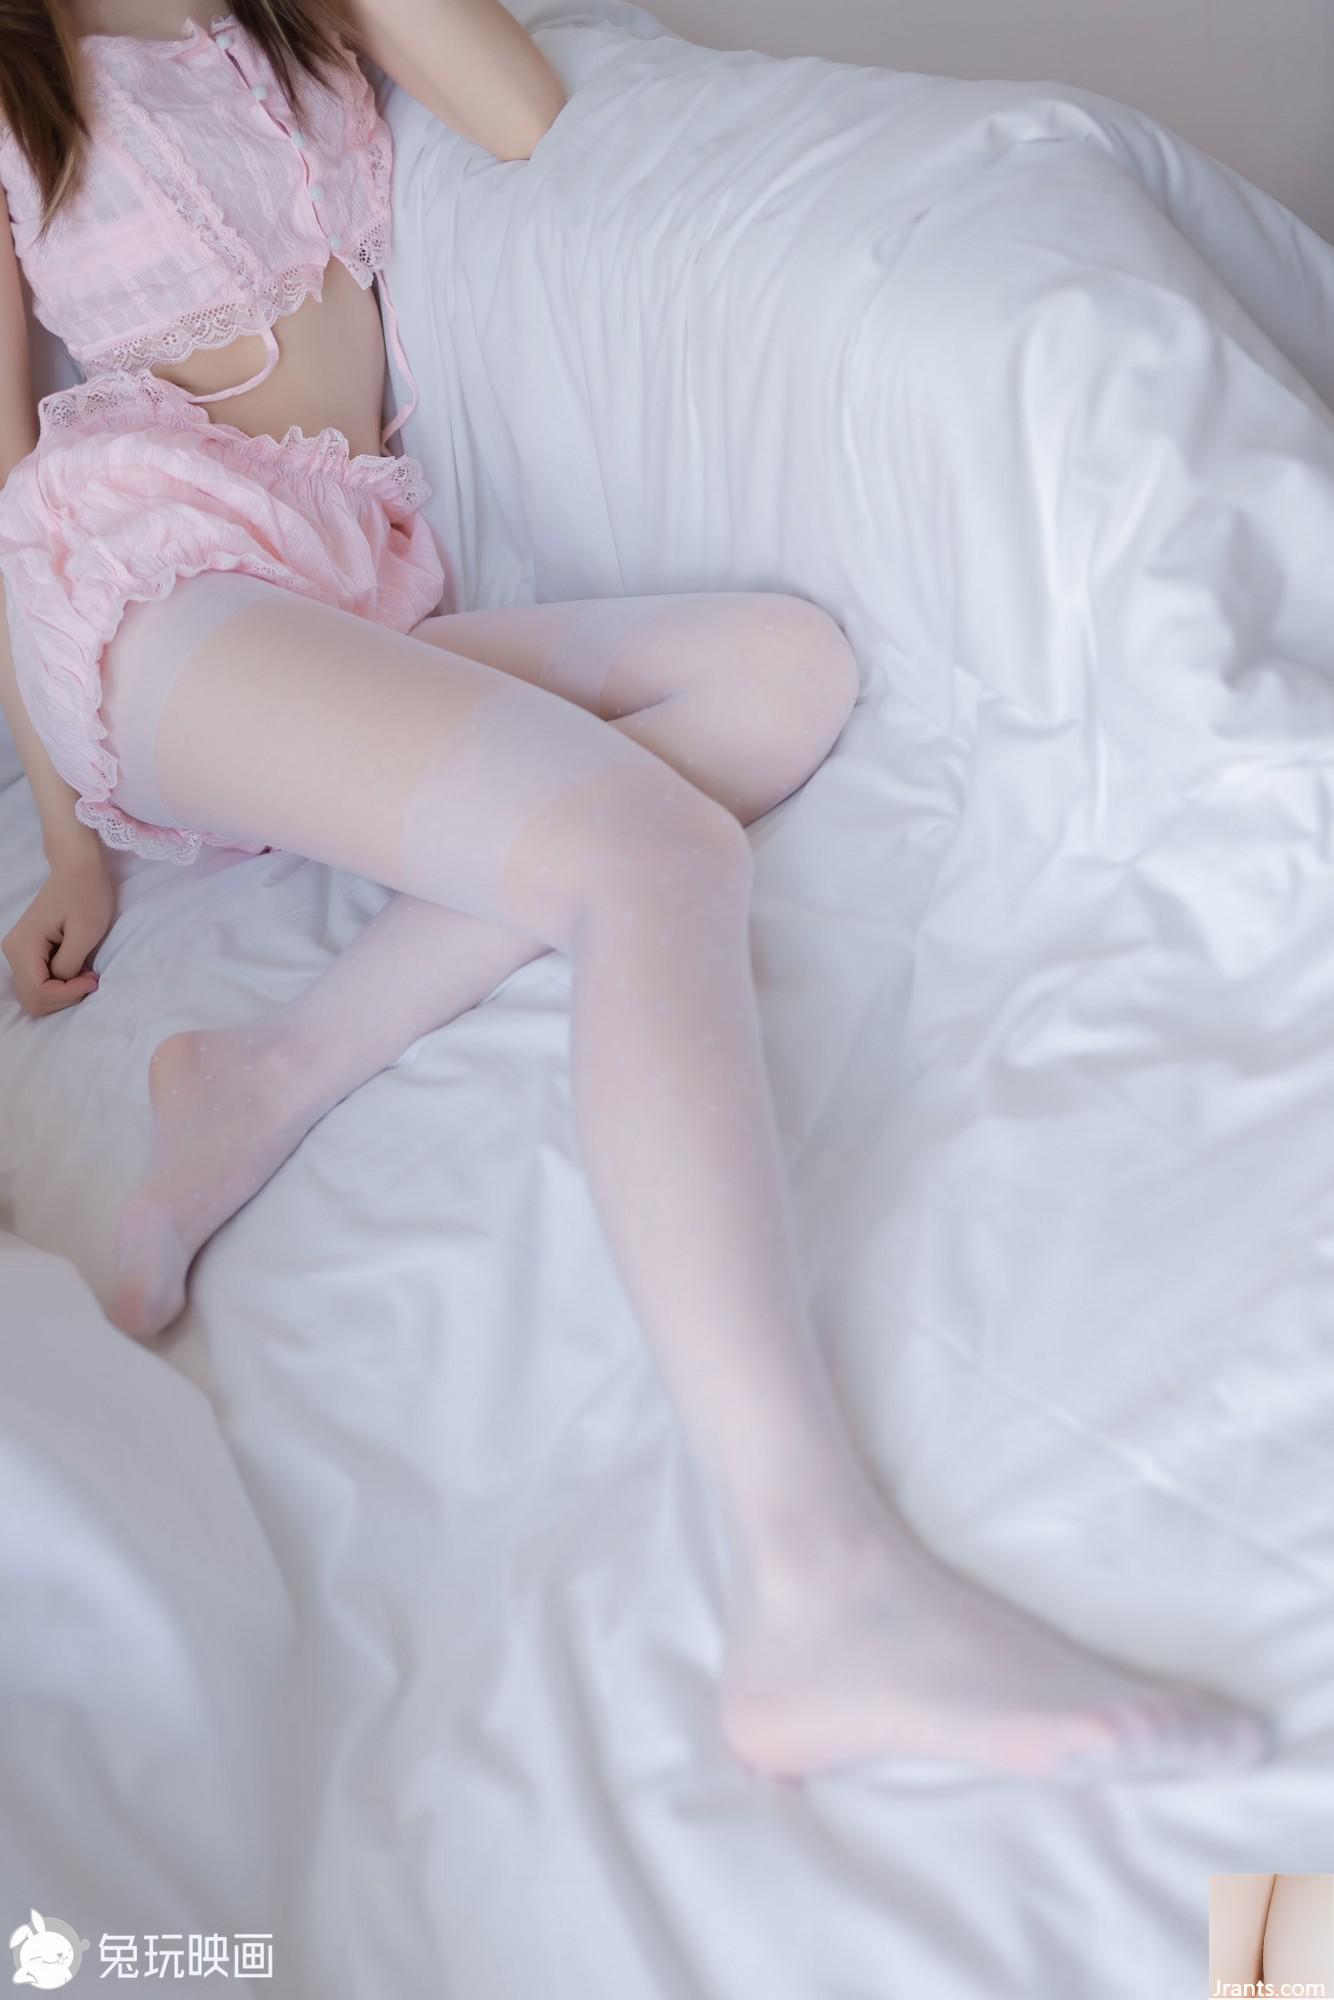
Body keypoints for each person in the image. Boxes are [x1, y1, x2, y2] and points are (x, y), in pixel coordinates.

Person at [0, 0, 1274, 1785]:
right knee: (646, 852)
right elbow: (5, 483)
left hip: (342, 580)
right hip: (158, 603)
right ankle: (812, 1583)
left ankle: (265, 1073)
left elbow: (519, 110)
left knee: (780, 678)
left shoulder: (279, 18)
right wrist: (72, 845)